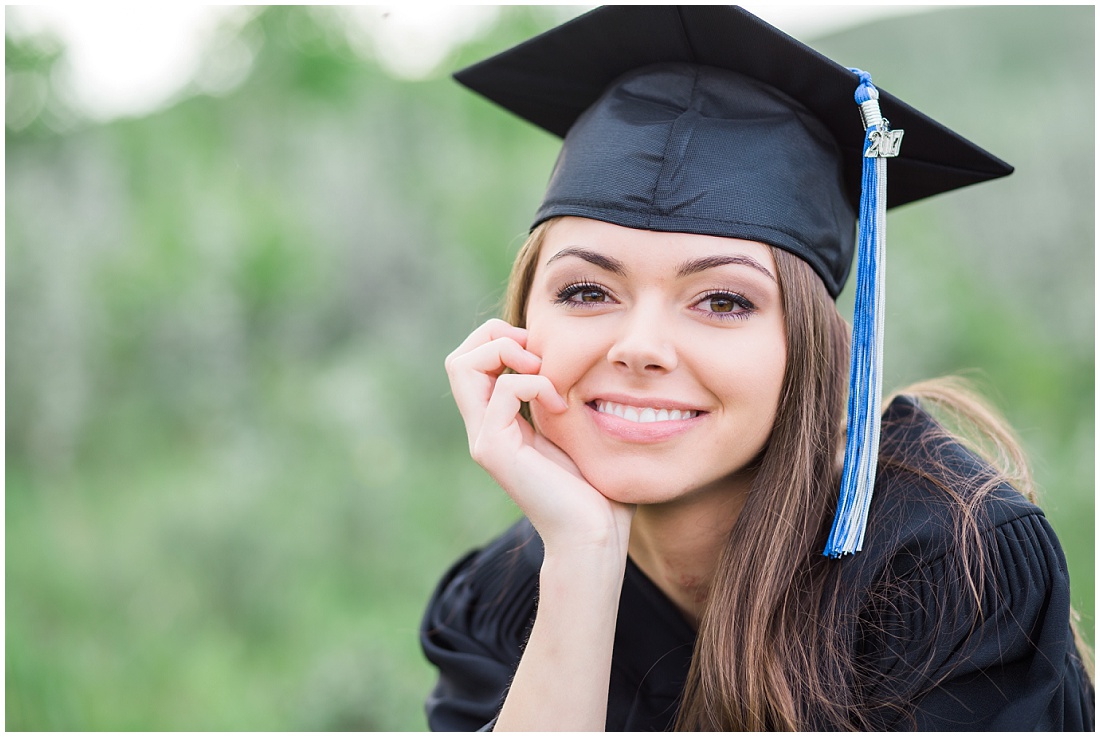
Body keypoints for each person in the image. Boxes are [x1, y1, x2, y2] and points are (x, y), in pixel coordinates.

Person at [420, 6, 1094, 731]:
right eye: (587, 291)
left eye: (721, 300)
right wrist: (582, 567)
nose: (640, 345)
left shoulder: (947, 566)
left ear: (816, 346)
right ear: (522, 323)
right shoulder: (502, 601)